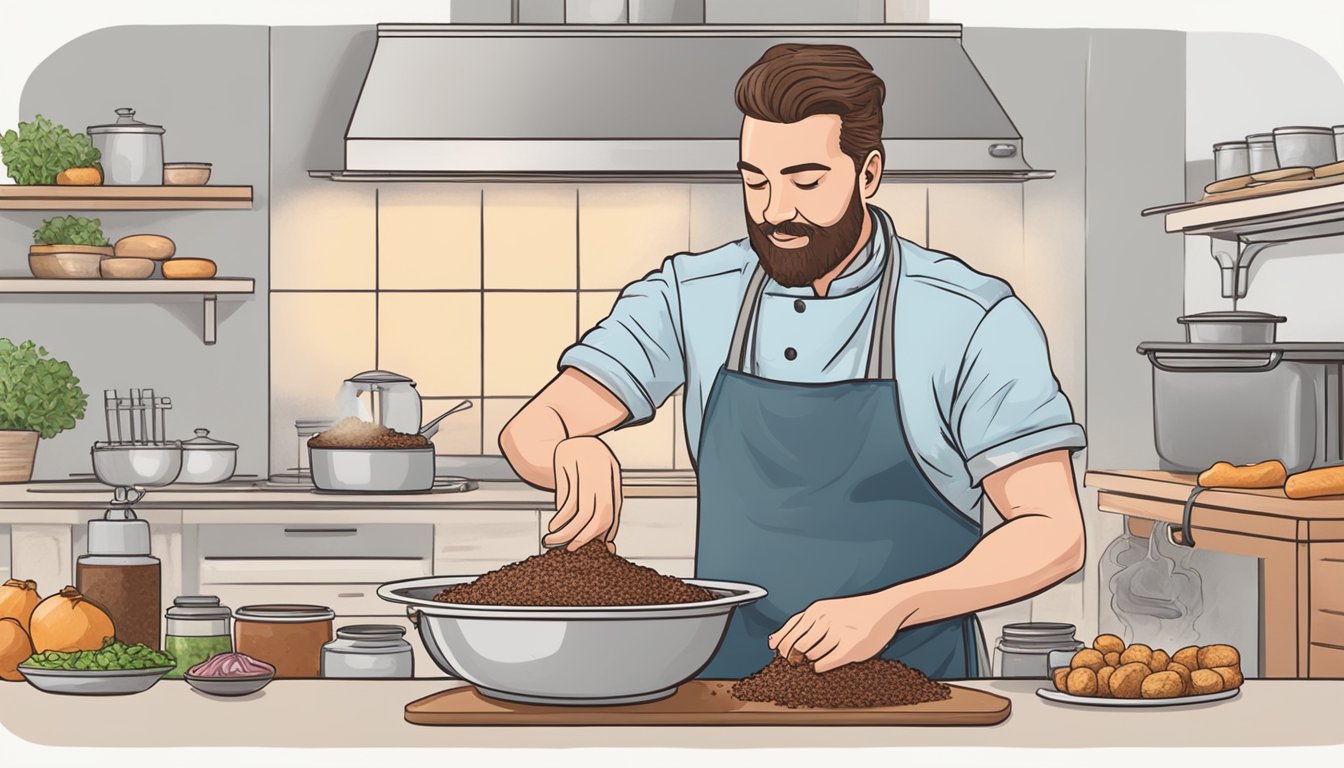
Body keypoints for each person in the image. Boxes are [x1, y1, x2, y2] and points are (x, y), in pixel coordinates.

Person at [499, 43, 1086, 680]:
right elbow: (532, 428)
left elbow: (1053, 530)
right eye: (755, 181)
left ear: (868, 174)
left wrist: (891, 608)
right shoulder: (692, 294)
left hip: (919, 688)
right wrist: (566, 450)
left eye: (806, 182)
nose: (776, 210)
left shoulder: (972, 318)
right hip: (728, 686)